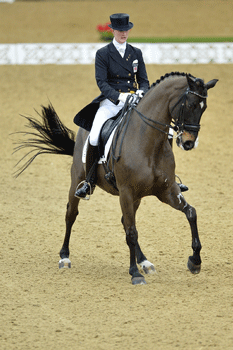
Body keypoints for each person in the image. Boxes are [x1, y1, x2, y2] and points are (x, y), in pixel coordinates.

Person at [74, 13, 150, 199]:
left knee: (165, 130)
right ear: (113, 31)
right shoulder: (103, 54)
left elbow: (144, 81)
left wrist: (141, 92)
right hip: (111, 103)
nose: (123, 34)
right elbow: (102, 83)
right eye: (120, 30)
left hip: (133, 102)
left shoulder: (136, 52)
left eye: (126, 30)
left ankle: (168, 177)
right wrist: (119, 97)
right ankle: (89, 181)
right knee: (94, 135)